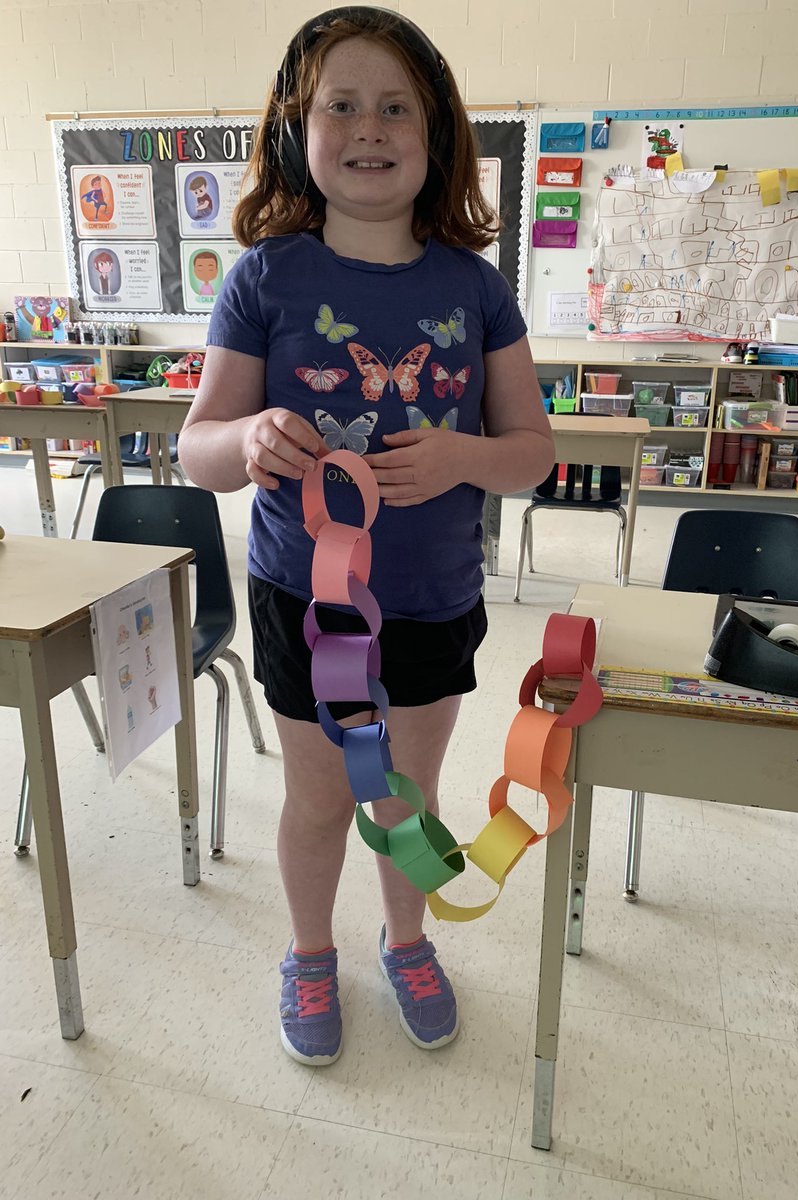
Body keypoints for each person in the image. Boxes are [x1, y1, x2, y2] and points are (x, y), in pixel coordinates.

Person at [178, 6, 553, 1068]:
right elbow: (194, 450)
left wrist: (464, 457)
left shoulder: (474, 288)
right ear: (299, 127)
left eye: (396, 107)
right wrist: (247, 435)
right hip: (308, 595)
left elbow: (532, 449)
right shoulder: (265, 278)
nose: (369, 127)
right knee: (317, 795)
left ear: (436, 139)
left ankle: (405, 940)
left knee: (407, 791)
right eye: (341, 105)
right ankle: (308, 953)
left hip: (432, 594)